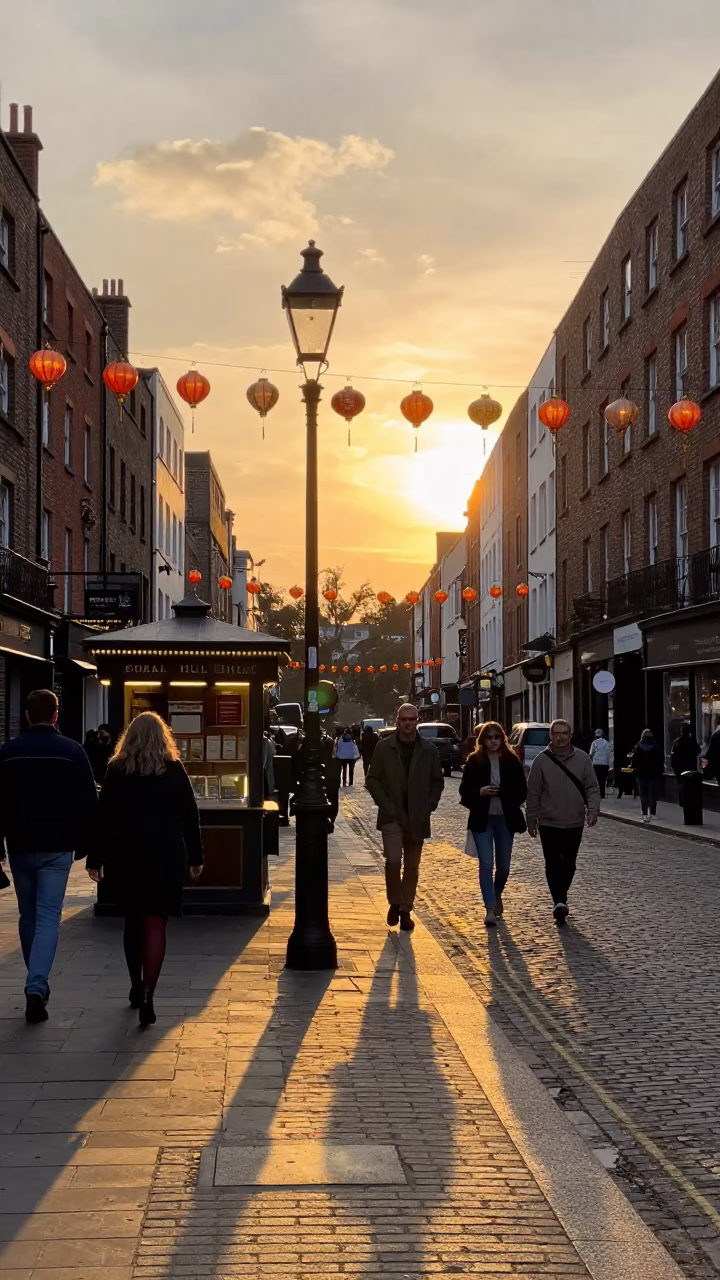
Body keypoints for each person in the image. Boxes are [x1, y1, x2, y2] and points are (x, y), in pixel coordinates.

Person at [87, 712, 203, 1028]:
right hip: (166, 855)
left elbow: (103, 818)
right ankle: (150, 992)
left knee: (133, 922)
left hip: (127, 855)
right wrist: (196, 857)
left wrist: (94, 860)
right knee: (156, 924)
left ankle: (136, 986)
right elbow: (190, 817)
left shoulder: (117, 770)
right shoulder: (175, 769)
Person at [0, 689, 99, 1023]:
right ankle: (36, 986)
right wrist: (92, 850)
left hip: (20, 844)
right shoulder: (72, 752)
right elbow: (89, 802)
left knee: (28, 915)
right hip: (58, 846)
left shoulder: (8, 753)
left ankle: (35, 982)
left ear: (27, 715)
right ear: (56, 714)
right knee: (47, 916)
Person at [365, 703, 444, 931]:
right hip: (392, 814)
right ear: (398, 721)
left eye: (412, 719)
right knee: (392, 861)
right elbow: (372, 779)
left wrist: (430, 804)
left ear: (417, 720)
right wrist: (385, 804)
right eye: (404, 719)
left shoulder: (428, 750)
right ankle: (394, 901)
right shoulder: (384, 747)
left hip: (417, 816)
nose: (408, 724)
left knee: (412, 866)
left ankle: (405, 910)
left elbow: (437, 781)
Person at [526, 718, 600, 926]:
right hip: (549, 821)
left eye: (564, 733)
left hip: (574, 821)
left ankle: (561, 895)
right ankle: (560, 900)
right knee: (552, 862)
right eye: (555, 733)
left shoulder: (583, 759)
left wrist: (592, 810)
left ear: (570, 735)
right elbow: (533, 793)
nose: (560, 737)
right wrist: (531, 819)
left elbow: (592, 787)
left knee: (569, 863)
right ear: (550, 735)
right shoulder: (541, 761)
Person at [459, 721, 527, 927]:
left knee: (504, 867)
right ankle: (489, 908)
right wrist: (479, 792)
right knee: (486, 863)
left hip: (505, 819)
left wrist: (503, 792)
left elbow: (522, 792)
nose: (493, 741)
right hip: (482, 818)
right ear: (483, 740)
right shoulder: (474, 760)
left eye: (497, 737)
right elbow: (464, 792)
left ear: (502, 738)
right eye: (489, 737)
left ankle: (496, 894)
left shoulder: (511, 760)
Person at [630, 728, 665, 822]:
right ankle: (652, 812)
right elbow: (661, 760)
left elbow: (634, 760)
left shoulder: (639, 747)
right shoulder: (656, 747)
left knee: (643, 794)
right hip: (654, 774)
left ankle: (644, 813)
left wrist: (633, 767)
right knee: (653, 794)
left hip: (641, 774)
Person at [589, 728, 612, 799]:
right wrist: (610, 765)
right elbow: (609, 755)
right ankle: (602, 794)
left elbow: (591, 753)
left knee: (596, 779)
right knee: (603, 779)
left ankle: (597, 793)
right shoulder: (607, 743)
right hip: (604, 763)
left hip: (596, 763)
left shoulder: (594, 743)